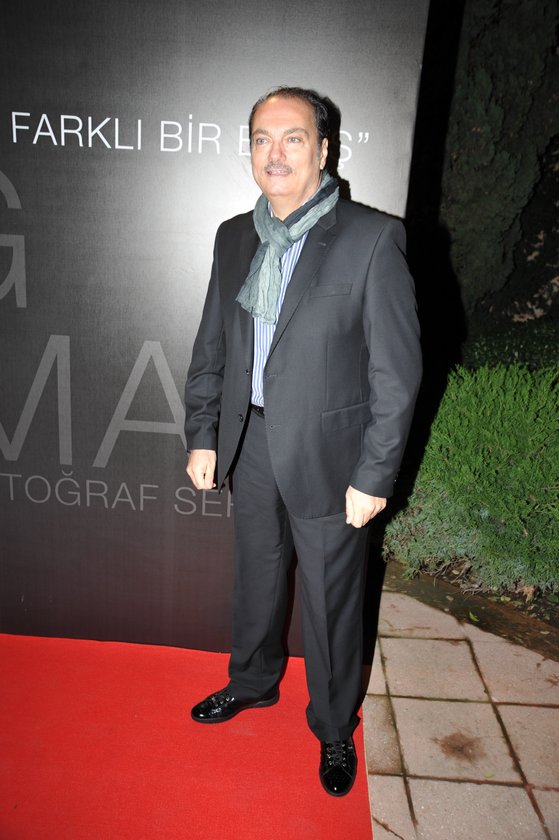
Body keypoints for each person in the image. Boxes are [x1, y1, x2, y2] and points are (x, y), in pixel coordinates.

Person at [184, 86, 421, 796]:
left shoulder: (371, 238)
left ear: (323, 150)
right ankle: (253, 681)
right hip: (251, 441)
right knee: (256, 580)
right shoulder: (234, 235)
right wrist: (203, 432)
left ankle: (333, 726)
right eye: (262, 138)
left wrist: (374, 475)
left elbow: (396, 374)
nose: (275, 152)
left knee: (330, 599)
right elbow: (212, 344)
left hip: (333, 457)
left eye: (292, 138)